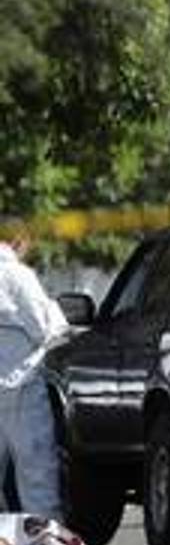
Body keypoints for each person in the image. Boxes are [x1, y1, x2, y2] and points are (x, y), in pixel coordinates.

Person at [0, 216, 68, 521]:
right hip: (19, 385)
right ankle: (43, 535)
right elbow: (45, 328)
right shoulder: (18, 276)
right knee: (36, 468)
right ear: (19, 241)